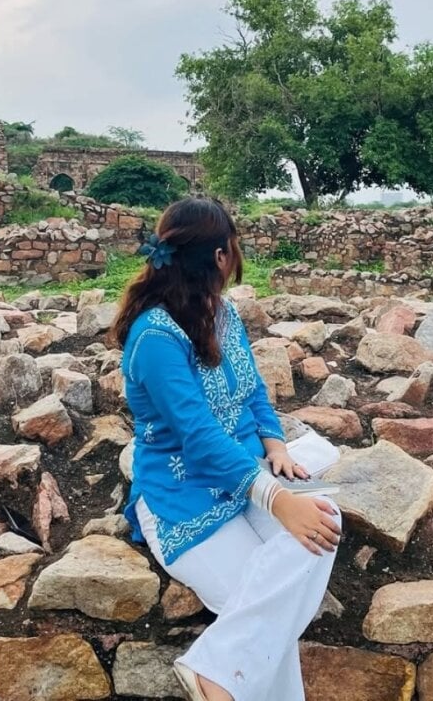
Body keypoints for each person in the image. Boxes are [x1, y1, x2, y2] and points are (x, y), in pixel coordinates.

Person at [111, 195, 342, 701]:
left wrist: (276, 444)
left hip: (246, 474)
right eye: (234, 247)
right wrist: (278, 500)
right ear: (220, 256)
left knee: (323, 521)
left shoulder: (223, 314)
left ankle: (215, 671)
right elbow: (198, 437)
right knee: (260, 612)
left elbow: (253, 389)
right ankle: (216, 675)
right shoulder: (155, 338)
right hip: (182, 496)